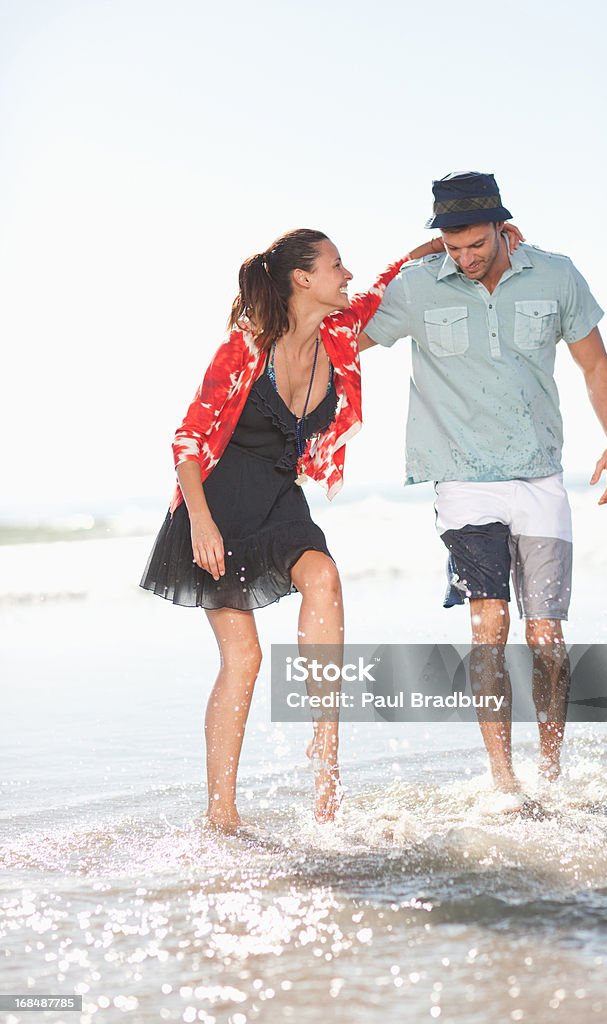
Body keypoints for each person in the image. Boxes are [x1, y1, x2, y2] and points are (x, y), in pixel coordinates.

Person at [139, 228, 447, 833]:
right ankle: (221, 812)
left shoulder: (336, 336)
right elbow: (188, 440)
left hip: (282, 498)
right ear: (303, 279)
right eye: (336, 265)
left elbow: (380, 291)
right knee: (245, 658)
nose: (346, 274)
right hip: (218, 508)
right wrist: (198, 519)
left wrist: (424, 251)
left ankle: (324, 752)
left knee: (325, 578)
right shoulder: (245, 348)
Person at [359, 172, 607, 806]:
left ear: (503, 227)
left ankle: (553, 770)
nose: (465, 257)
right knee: (490, 626)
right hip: (461, 482)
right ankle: (504, 778)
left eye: (476, 243)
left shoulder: (556, 274)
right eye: (452, 247)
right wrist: (405, 263)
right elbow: (348, 336)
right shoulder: (417, 288)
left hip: (540, 475)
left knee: (547, 637)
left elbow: (594, 361)